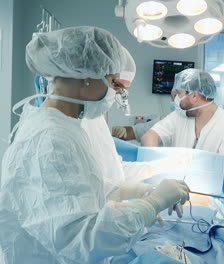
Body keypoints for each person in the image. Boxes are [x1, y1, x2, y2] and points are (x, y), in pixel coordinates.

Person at [0, 26, 190, 264]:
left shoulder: (67, 127)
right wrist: (150, 205)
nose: (113, 92)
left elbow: (81, 195)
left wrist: (143, 193)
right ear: (87, 78)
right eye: (111, 82)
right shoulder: (50, 140)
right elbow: (82, 240)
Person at [141, 68, 224, 210]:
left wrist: (176, 164)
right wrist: (155, 166)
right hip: (177, 204)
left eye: (179, 94)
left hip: (215, 209)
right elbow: (149, 136)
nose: (175, 100)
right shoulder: (178, 118)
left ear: (195, 96)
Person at [112, 88, 177, 142]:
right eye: (173, 98)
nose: (174, 101)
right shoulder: (164, 122)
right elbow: (135, 132)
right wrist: (123, 131)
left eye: (178, 95)